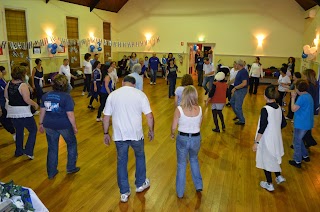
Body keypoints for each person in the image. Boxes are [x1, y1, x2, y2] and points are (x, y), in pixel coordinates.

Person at [102, 76, 154, 203]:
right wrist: (151, 131)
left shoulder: (113, 95)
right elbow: (150, 116)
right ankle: (141, 183)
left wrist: (105, 133)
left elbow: (106, 117)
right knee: (140, 156)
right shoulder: (140, 94)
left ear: (122, 82)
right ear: (134, 85)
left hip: (120, 136)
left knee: (121, 161)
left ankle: (124, 192)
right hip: (136, 135)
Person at [39, 74, 80, 179]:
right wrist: (74, 127)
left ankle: (51, 172)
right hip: (64, 125)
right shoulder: (67, 97)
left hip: (49, 125)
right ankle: (71, 167)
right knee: (71, 144)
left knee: (52, 148)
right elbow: (70, 114)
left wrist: (40, 123)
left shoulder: (45, 95)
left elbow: (42, 111)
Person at [252, 85, 287, 192]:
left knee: (266, 160)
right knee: (273, 157)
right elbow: (283, 123)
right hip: (276, 138)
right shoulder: (279, 107)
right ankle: (279, 176)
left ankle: (269, 183)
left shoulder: (265, 109)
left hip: (266, 139)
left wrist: (256, 142)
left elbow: (262, 127)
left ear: (265, 96)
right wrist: (275, 128)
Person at [171, 85, 203, 198]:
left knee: (181, 164)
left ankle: (180, 192)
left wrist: (172, 134)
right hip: (196, 138)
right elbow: (199, 124)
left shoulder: (179, 109)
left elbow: (174, 126)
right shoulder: (199, 109)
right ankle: (199, 185)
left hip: (182, 138)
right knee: (194, 159)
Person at [4, 66, 38, 159]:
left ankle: (18, 151)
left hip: (12, 112)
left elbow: (6, 96)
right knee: (33, 130)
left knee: (19, 131)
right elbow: (27, 100)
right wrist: (35, 104)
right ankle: (29, 150)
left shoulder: (9, 83)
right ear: (22, 74)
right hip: (23, 112)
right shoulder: (23, 85)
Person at [289, 80, 314, 168]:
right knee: (299, 140)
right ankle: (305, 155)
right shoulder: (308, 95)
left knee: (296, 142)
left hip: (301, 124)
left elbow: (293, 109)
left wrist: (292, 98)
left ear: (298, 89)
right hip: (307, 123)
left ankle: (297, 161)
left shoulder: (302, 98)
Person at [301, 69, 318, 148]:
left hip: (307, 109)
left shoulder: (310, 86)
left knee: (304, 126)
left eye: (304, 75)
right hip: (309, 108)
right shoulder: (313, 85)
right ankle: (306, 141)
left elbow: (308, 98)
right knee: (306, 126)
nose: (303, 77)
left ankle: (307, 141)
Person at [230, 60, 249, 125]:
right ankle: (238, 115)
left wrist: (235, 88)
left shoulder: (243, 72)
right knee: (232, 102)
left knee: (238, 106)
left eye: (236, 64)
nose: (235, 65)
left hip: (241, 90)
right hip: (238, 90)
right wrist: (228, 83)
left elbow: (244, 83)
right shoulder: (240, 71)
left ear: (239, 65)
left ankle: (242, 120)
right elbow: (236, 79)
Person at [0, 66, 16, 140]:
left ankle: (14, 132)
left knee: (8, 117)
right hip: (1, 103)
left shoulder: (2, 80)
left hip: (5, 102)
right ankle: (13, 132)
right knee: (4, 119)